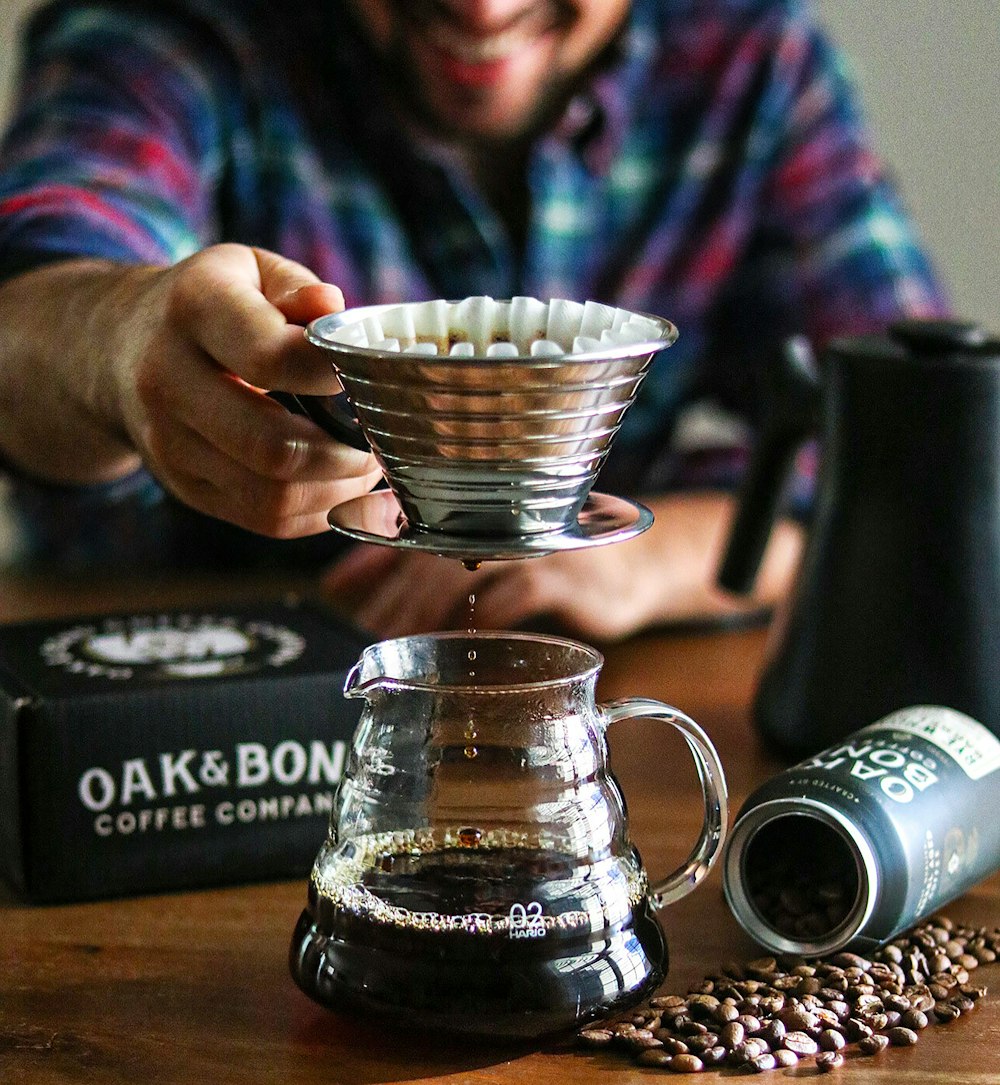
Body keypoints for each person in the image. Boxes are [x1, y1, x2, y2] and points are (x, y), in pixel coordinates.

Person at [0, 0, 948, 640]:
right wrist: (118, 336)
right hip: (185, 720)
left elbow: (923, 460)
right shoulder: (176, 33)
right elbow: (33, 310)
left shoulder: (750, 61)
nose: (483, 10)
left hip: (611, 729)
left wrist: (664, 555)